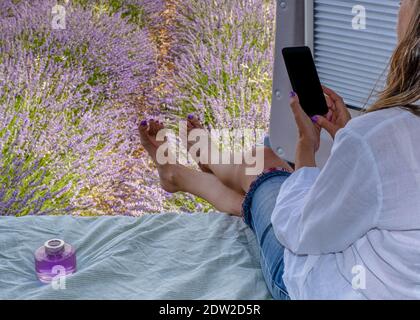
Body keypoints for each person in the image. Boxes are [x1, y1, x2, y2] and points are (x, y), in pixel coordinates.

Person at [139, 0, 420, 299]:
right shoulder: (383, 138)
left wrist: (306, 146)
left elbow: (296, 231)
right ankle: (211, 173)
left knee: (266, 161)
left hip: (319, 286)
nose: (399, 5)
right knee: (267, 193)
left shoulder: (381, 134)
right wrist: (349, 140)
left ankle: (187, 172)